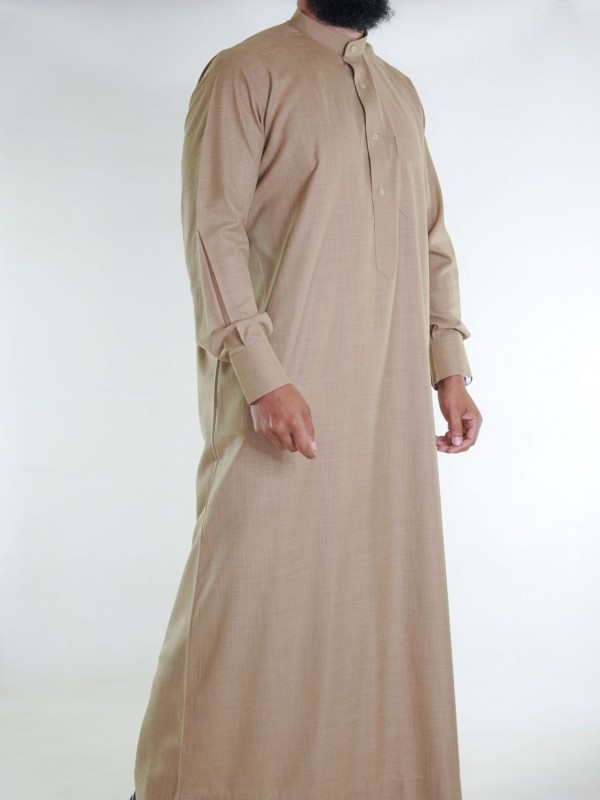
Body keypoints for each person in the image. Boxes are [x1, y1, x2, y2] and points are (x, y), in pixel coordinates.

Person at [130, 1, 483, 798]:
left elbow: (431, 240)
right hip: (284, 397)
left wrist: (449, 367)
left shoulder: (399, 91)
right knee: (249, 601)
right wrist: (263, 375)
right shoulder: (245, 72)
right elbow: (213, 230)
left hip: (387, 406)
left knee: (376, 600)